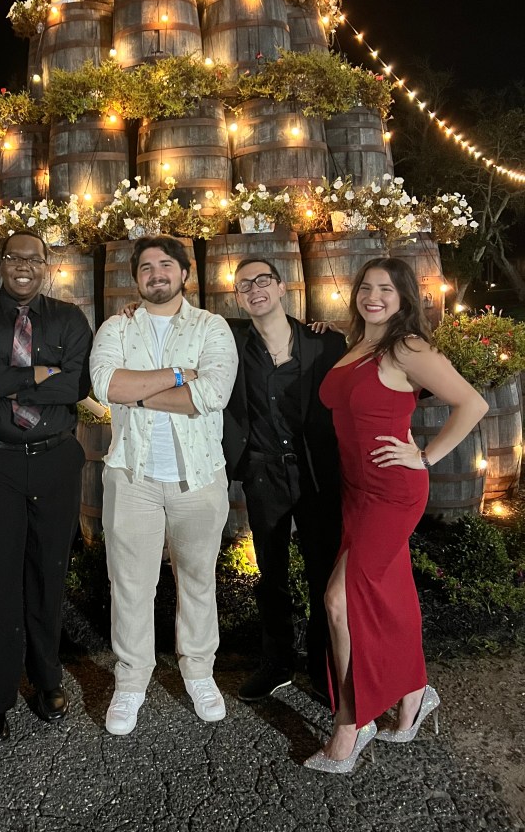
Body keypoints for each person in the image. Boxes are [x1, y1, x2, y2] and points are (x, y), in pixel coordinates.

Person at [303, 257, 489, 774]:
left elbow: (472, 404)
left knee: (339, 600)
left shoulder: (407, 347)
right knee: (394, 595)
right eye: (366, 287)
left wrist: (425, 456)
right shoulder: (355, 344)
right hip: (356, 491)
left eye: (386, 289)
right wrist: (321, 329)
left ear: (405, 296)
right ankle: (414, 695)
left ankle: (352, 721)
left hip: (393, 491)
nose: (374, 296)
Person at [0, 230, 93, 748]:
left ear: (46, 265)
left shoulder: (69, 319)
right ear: (2, 263)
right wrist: (40, 373)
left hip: (55, 461)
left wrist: (8, 380)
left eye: (34, 258)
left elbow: (77, 384)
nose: (23, 266)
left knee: (48, 577)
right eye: (14, 257)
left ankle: (47, 681)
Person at [89, 235, 238, 735]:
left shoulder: (211, 327)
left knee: (198, 578)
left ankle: (199, 672)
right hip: (131, 475)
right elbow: (106, 386)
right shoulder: (116, 327)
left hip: (199, 476)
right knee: (130, 584)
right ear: (136, 278)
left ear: (184, 273)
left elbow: (210, 395)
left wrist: (137, 392)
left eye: (166, 264)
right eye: (147, 267)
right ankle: (131, 680)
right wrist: (177, 375)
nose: (157, 273)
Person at [222, 256, 346, 708]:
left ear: (281, 287)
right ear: (238, 297)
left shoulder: (325, 341)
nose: (254, 289)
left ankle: (321, 665)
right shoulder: (229, 339)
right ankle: (277, 662)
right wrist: (135, 309)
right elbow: (177, 319)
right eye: (244, 285)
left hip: (315, 472)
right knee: (270, 573)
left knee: (322, 571)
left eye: (263, 280)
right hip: (264, 471)